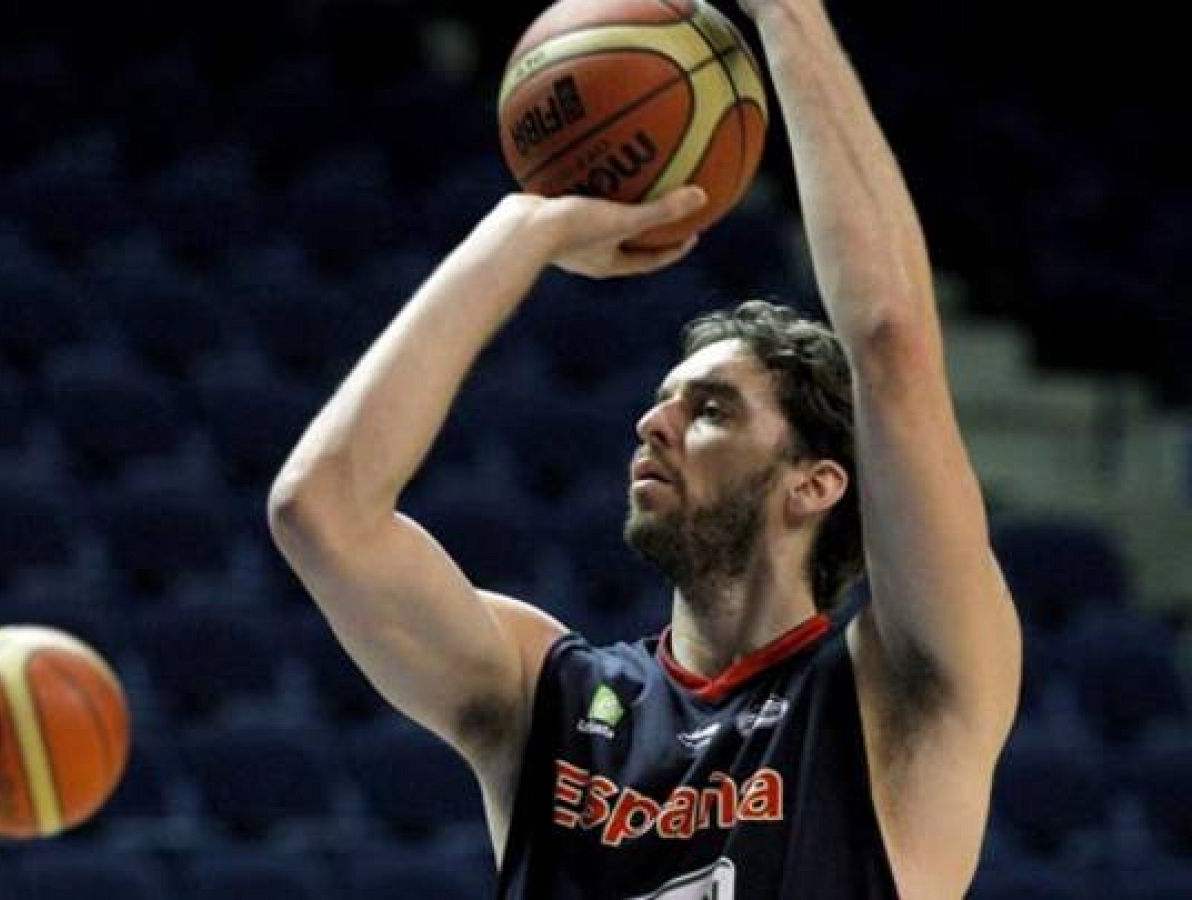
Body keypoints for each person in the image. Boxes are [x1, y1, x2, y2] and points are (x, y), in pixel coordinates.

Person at [267, 0, 1021, 895]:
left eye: (709, 410)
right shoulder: (545, 699)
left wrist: (787, 14)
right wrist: (522, 232)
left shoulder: (898, 699)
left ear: (815, 483)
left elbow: (891, 346)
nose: (650, 424)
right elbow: (321, 513)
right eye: (661, 401)